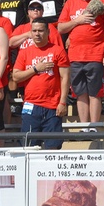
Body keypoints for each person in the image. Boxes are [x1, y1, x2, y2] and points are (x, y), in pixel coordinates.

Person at [12, 19, 70, 148]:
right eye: (34, 31)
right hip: (31, 106)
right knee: (29, 147)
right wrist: (35, 69)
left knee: (53, 147)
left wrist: (62, 102)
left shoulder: (58, 51)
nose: (37, 34)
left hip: (53, 107)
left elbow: (65, 77)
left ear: (48, 32)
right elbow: (16, 77)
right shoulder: (24, 52)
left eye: (40, 30)